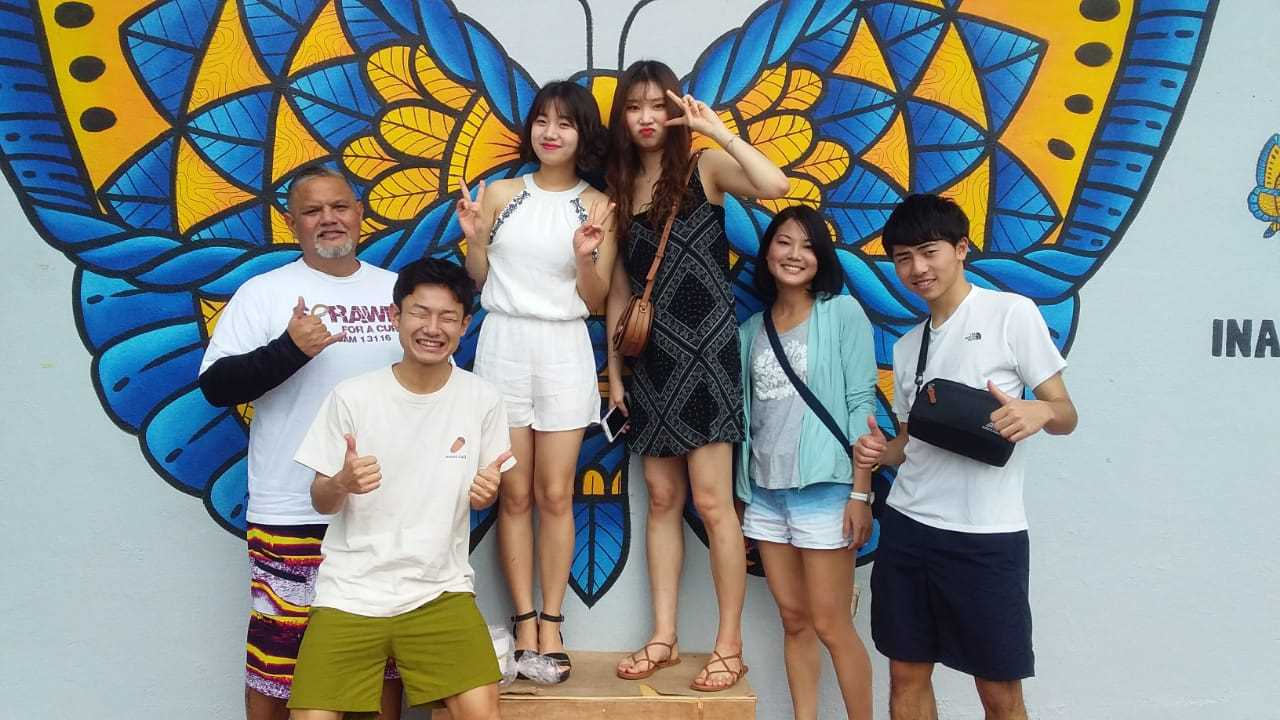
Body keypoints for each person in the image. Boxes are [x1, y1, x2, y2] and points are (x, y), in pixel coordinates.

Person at [854, 194, 1079, 720]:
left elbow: (1066, 412)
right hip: (909, 531)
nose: (917, 268)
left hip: (985, 538)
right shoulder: (909, 347)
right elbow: (912, 445)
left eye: (928, 252)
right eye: (903, 257)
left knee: (998, 690)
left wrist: (1038, 414)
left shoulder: (1011, 314)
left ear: (961, 249)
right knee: (905, 675)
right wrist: (880, 452)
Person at [604, 59, 789, 691]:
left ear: (675, 108)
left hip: (707, 356)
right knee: (660, 500)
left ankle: (730, 645)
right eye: (634, 107)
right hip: (651, 360)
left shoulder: (702, 167)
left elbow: (776, 185)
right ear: (621, 117)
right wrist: (615, 371)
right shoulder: (618, 187)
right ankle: (663, 636)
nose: (647, 117)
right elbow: (620, 290)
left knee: (713, 504)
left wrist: (720, 131)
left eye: (659, 104)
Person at [198, 165, 403, 720]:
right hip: (289, 506)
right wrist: (288, 349)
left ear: (360, 213)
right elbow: (216, 387)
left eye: (339, 206)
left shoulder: (395, 291)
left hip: (379, 509)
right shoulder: (264, 293)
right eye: (313, 211)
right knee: (277, 656)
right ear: (292, 224)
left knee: (380, 657)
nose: (328, 219)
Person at [287, 258, 512, 720]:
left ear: (465, 325)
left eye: (447, 316)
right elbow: (319, 498)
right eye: (419, 312)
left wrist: (487, 492)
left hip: (439, 590)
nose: (432, 327)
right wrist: (342, 482)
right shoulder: (354, 396)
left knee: (481, 711)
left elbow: (486, 487)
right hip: (350, 591)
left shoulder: (481, 399)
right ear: (395, 316)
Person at [456, 80, 614, 682]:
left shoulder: (599, 205)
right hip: (503, 345)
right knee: (512, 494)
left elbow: (596, 301)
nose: (551, 132)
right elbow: (477, 278)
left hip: (565, 350)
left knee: (556, 494)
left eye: (565, 123)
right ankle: (522, 623)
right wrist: (474, 240)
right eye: (542, 121)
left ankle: (553, 623)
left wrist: (584, 257)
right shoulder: (501, 194)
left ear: (582, 134)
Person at [735, 206, 876, 719]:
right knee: (793, 620)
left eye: (808, 246)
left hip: (826, 489)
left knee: (832, 623)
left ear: (822, 258)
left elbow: (863, 403)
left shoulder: (840, 313)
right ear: (767, 250)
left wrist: (860, 493)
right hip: (767, 493)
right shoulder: (751, 328)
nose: (795, 255)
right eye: (784, 243)